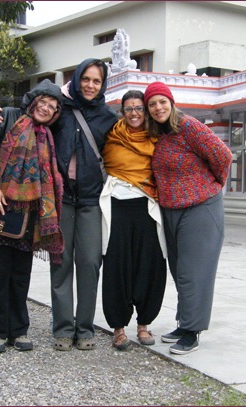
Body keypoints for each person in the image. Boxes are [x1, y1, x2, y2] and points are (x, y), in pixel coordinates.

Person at [0, 59, 118, 351]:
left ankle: (85, 329)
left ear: (103, 84)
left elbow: (128, 142)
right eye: (86, 79)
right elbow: (30, 117)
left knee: (90, 263)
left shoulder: (109, 117)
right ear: (77, 78)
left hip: (91, 200)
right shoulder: (62, 111)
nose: (90, 85)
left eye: (97, 81)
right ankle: (62, 329)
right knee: (60, 262)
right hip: (60, 200)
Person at [0, 79, 65, 353]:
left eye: (52, 106)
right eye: (42, 102)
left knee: (21, 276)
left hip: (29, 216)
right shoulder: (6, 116)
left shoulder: (48, 135)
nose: (45, 109)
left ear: (56, 113)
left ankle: (18, 330)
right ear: (32, 101)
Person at [143, 81, 233, 355]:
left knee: (195, 272)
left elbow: (223, 156)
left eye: (162, 101)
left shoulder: (189, 126)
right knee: (180, 271)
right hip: (171, 209)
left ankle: (192, 332)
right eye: (152, 104)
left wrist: (213, 185)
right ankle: (184, 323)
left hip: (200, 208)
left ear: (171, 102)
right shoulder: (158, 134)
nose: (158, 107)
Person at [99, 90, 167, 350]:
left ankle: (144, 325)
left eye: (139, 108)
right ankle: (118, 329)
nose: (135, 113)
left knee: (150, 265)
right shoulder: (112, 135)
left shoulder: (157, 137)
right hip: (116, 208)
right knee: (117, 266)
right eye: (129, 109)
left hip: (148, 208)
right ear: (122, 112)